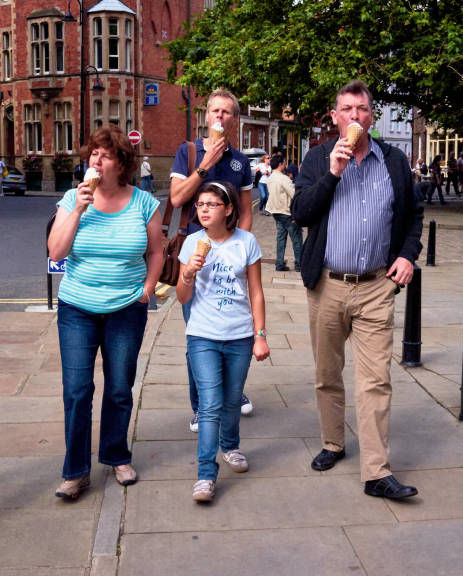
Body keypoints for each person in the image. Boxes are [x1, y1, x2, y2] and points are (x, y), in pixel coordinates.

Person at [292, 79, 423, 500]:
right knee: (327, 374)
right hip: (327, 285)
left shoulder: (394, 161)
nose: (354, 116)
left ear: (371, 116)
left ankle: (376, 472)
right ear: (335, 117)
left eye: (362, 109)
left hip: (375, 287)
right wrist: (333, 173)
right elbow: (300, 213)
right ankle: (333, 442)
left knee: (375, 380)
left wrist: (407, 255)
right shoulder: (317, 158)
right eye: (346, 109)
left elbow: (413, 214)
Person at [48, 125, 164, 499]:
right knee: (77, 390)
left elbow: (157, 250)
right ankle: (75, 471)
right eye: (94, 154)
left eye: (106, 155)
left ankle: (116, 455)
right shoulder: (72, 199)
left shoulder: (144, 202)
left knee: (118, 388)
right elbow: (56, 252)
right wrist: (79, 209)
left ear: (122, 163)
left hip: (126, 308)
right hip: (77, 308)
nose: (96, 161)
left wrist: (147, 290)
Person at [176, 181, 269, 501]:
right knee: (210, 404)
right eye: (200, 204)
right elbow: (182, 297)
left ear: (228, 209)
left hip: (239, 335)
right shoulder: (191, 243)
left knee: (231, 400)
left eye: (211, 204)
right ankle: (205, 474)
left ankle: (230, 446)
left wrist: (260, 335)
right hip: (202, 335)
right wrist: (188, 273)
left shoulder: (246, 242)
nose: (203, 210)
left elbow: (256, 292)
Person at [169, 88, 255, 432]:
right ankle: (201, 406)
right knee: (198, 336)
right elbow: (177, 199)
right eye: (214, 111)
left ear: (234, 119)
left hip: (230, 262)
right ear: (206, 116)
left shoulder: (240, 162)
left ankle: (231, 393)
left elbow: (246, 213)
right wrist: (204, 166)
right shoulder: (188, 152)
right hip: (195, 259)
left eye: (226, 112)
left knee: (233, 332)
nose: (219, 116)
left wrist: (239, 250)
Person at [265, 155, 302, 272]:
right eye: (284, 163)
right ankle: (299, 264)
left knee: (281, 238)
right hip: (286, 212)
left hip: (275, 211)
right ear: (280, 164)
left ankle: (279, 264)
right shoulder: (284, 178)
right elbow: (294, 195)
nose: (285, 165)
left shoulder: (270, 178)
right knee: (296, 238)